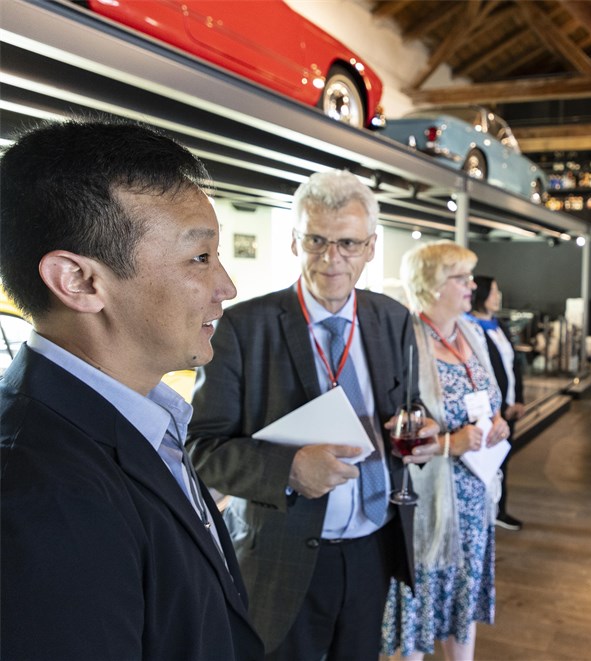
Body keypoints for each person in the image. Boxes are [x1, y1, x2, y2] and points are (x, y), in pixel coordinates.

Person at [0, 120, 263, 660]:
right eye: (200, 257)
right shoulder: (40, 494)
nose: (226, 288)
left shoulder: (141, 413)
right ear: (78, 281)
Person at [186, 169, 438, 661]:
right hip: (283, 552)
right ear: (294, 241)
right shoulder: (242, 327)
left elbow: (409, 405)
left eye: (348, 243)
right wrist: (289, 468)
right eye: (316, 240)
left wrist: (422, 429)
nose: (331, 258)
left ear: (370, 246)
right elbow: (200, 449)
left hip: (375, 544)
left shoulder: (392, 318)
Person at [382, 241, 510, 660]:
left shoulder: (471, 333)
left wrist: (498, 422)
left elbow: (490, 399)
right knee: (419, 608)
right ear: (433, 285)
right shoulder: (407, 342)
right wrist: (450, 445)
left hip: (476, 499)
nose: (472, 285)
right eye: (462, 278)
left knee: (463, 603)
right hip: (430, 503)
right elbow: (395, 433)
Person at [469, 275, 526, 530]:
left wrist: (518, 399)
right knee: (488, 461)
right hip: (491, 410)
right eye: (493, 291)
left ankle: (499, 509)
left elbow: (513, 365)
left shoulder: (498, 325)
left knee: (503, 460)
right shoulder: (470, 328)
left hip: (508, 406)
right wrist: (499, 409)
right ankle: (490, 512)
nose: (497, 296)